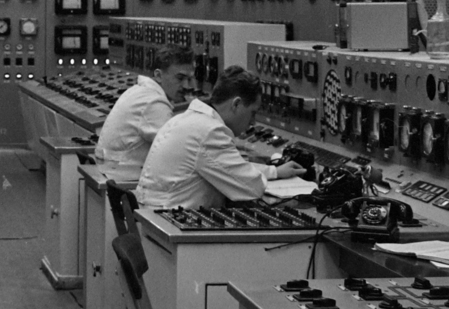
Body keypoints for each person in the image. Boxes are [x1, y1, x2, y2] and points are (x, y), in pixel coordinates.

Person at [135, 66, 303, 211]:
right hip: (173, 224)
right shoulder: (210, 132)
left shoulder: (190, 119)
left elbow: (232, 168)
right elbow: (251, 188)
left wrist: (275, 171)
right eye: (253, 112)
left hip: (156, 217)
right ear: (236, 104)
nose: (252, 122)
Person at [93, 47, 195, 174]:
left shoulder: (141, 90)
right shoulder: (154, 102)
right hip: (122, 176)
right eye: (180, 78)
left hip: (112, 170)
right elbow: (176, 153)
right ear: (158, 75)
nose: (187, 86)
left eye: (189, 79)